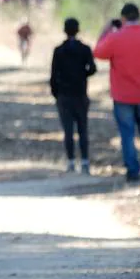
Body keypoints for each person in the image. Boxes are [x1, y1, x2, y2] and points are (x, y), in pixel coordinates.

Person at [93, 3, 140, 183]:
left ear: (123, 19)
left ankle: (133, 171)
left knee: (127, 135)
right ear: (139, 17)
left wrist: (107, 29)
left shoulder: (116, 38)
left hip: (122, 96)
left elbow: (97, 52)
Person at [49, 17, 96, 174]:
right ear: (78, 30)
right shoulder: (85, 49)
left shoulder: (59, 51)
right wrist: (82, 75)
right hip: (80, 94)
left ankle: (70, 162)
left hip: (64, 95)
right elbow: (92, 68)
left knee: (68, 131)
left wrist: (56, 93)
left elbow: (53, 75)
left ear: (65, 30)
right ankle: (85, 162)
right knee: (83, 130)